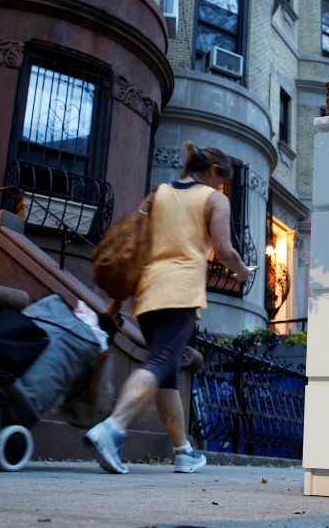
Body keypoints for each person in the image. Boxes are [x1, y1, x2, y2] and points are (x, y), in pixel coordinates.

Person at [84, 142, 253, 475]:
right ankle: (112, 427)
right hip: (180, 293)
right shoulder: (214, 200)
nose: (222, 188)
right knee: (160, 362)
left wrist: (116, 302)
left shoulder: (157, 194)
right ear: (215, 172)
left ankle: (184, 451)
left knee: (167, 373)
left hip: (145, 295)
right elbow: (223, 249)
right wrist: (243, 271)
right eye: (223, 181)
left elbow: (135, 245)